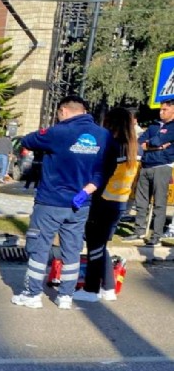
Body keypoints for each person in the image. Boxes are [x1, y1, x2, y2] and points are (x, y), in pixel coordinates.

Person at [11, 95, 113, 310]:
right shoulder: (103, 135)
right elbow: (106, 169)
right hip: (81, 203)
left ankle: (32, 295)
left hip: (51, 202)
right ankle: (65, 296)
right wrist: (89, 189)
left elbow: (27, 140)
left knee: (40, 247)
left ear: (63, 111)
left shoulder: (59, 132)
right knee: (72, 250)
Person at [74, 107, 138, 303]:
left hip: (103, 201)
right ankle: (108, 286)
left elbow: (101, 174)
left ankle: (92, 289)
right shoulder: (135, 147)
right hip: (120, 201)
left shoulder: (112, 146)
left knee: (95, 247)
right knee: (101, 246)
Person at [125, 99, 174, 246]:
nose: (161, 112)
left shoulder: (172, 127)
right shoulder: (154, 125)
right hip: (146, 165)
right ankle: (138, 231)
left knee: (159, 202)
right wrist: (156, 147)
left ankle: (156, 236)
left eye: (165, 110)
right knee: (141, 201)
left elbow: (156, 141)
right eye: (160, 109)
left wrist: (154, 145)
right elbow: (139, 143)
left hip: (162, 166)